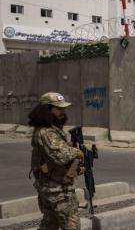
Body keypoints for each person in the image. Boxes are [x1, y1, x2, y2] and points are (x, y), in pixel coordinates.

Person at [29, 92, 84, 230]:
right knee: (71, 226)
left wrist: (75, 167)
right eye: (58, 108)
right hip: (58, 191)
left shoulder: (49, 130)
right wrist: (78, 152)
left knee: (50, 224)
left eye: (63, 108)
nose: (62, 111)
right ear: (46, 110)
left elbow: (53, 158)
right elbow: (61, 156)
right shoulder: (47, 132)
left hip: (51, 188)